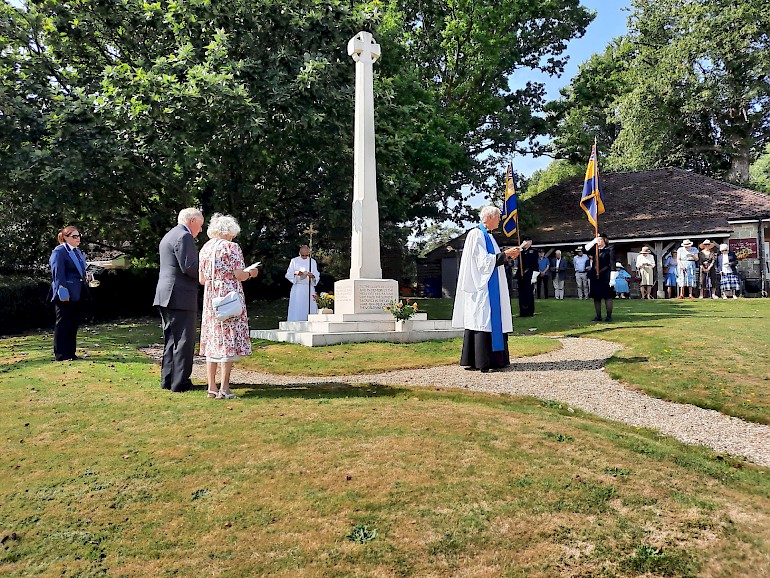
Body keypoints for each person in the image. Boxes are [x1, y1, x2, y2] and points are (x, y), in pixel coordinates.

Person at [452, 206, 521, 372]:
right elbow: (482, 262)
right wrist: (505, 254)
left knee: (490, 319)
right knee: (482, 319)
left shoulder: (489, 236)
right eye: (498, 217)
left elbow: (494, 260)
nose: (500, 220)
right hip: (482, 287)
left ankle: (496, 360)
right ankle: (482, 360)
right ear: (489, 217)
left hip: (492, 284)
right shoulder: (476, 234)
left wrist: (507, 256)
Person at [199, 214, 258, 399]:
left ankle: (211, 387)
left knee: (213, 339)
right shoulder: (231, 247)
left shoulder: (205, 248)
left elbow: (201, 279)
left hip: (211, 299)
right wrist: (251, 273)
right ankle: (224, 388)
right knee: (228, 339)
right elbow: (239, 274)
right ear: (228, 231)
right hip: (228, 297)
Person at [153, 207, 204, 393]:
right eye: (200, 225)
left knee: (171, 340)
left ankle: (168, 380)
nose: (201, 230)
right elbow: (189, 267)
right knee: (183, 340)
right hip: (180, 295)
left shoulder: (169, 235)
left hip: (166, 294)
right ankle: (180, 382)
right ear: (192, 221)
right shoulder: (184, 236)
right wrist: (207, 273)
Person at [49, 226, 91, 361]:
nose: (78, 239)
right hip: (65, 294)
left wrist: (88, 276)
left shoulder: (77, 252)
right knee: (63, 324)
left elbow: (81, 271)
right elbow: (58, 274)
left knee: (73, 324)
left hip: (77, 293)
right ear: (65, 238)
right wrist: (63, 292)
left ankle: (71, 353)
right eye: (74, 236)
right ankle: (61, 355)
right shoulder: (59, 252)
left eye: (79, 236)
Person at [285, 245, 319, 321]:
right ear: (299, 253)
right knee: (297, 306)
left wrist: (312, 276)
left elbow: (316, 274)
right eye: (302, 255)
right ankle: (296, 321)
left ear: (308, 253)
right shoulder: (294, 261)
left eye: (306, 255)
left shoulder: (312, 261)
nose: (304, 257)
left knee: (310, 306)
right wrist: (296, 273)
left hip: (308, 287)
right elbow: (288, 274)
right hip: (298, 287)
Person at [586, 232, 614, 321]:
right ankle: (598, 316)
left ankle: (609, 316)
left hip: (605, 275)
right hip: (595, 276)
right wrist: (593, 241)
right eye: (598, 240)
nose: (598, 241)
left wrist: (612, 278)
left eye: (600, 239)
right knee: (596, 297)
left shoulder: (610, 249)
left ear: (604, 240)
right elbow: (585, 249)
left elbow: (612, 264)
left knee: (607, 296)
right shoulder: (595, 250)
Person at [516, 236, 538, 317]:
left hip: (529, 274)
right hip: (521, 275)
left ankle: (529, 312)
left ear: (530, 242)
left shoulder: (533, 251)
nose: (525, 242)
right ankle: (522, 311)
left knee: (528, 293)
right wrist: (521, 247)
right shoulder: (521, 251)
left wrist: (534, 276)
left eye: (527, 241)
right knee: (521, 294)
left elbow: (534, 264)